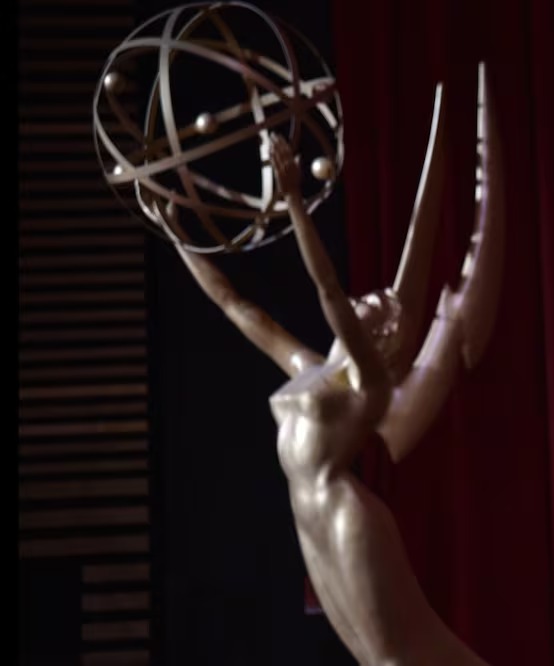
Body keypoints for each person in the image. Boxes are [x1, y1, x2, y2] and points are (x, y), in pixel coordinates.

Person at [159, 69, 502, 665]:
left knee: (395, 656)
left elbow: (328, 292)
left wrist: (294, 198)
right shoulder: (309, 366)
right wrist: (177, 234)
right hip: (308, 517)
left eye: (382, 304)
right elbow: (235, 306)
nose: (373, 298)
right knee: (377, 658)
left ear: (386, 336)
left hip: (346, 518)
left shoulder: (371, 380)